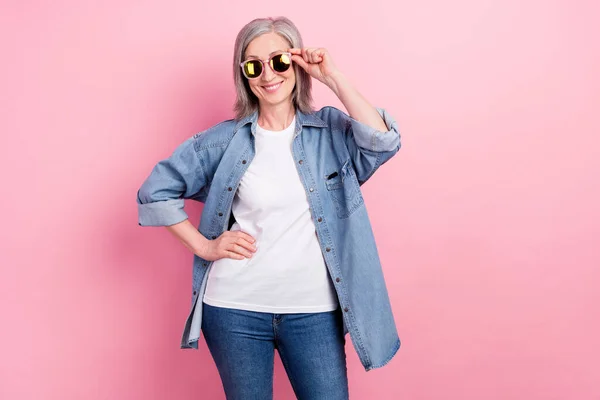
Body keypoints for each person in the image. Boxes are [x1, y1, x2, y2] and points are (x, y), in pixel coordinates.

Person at [137, 16, 402, 400]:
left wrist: (332, 77)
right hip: (233, 310)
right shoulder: (223, 141)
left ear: (295, 64)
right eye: (253, 65)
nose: (267, 74)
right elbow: (155, 192)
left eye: (278, 60)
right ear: (243, 75)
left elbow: (383, 142)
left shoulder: (330, 133)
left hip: (314, 312)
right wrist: (205, 247)